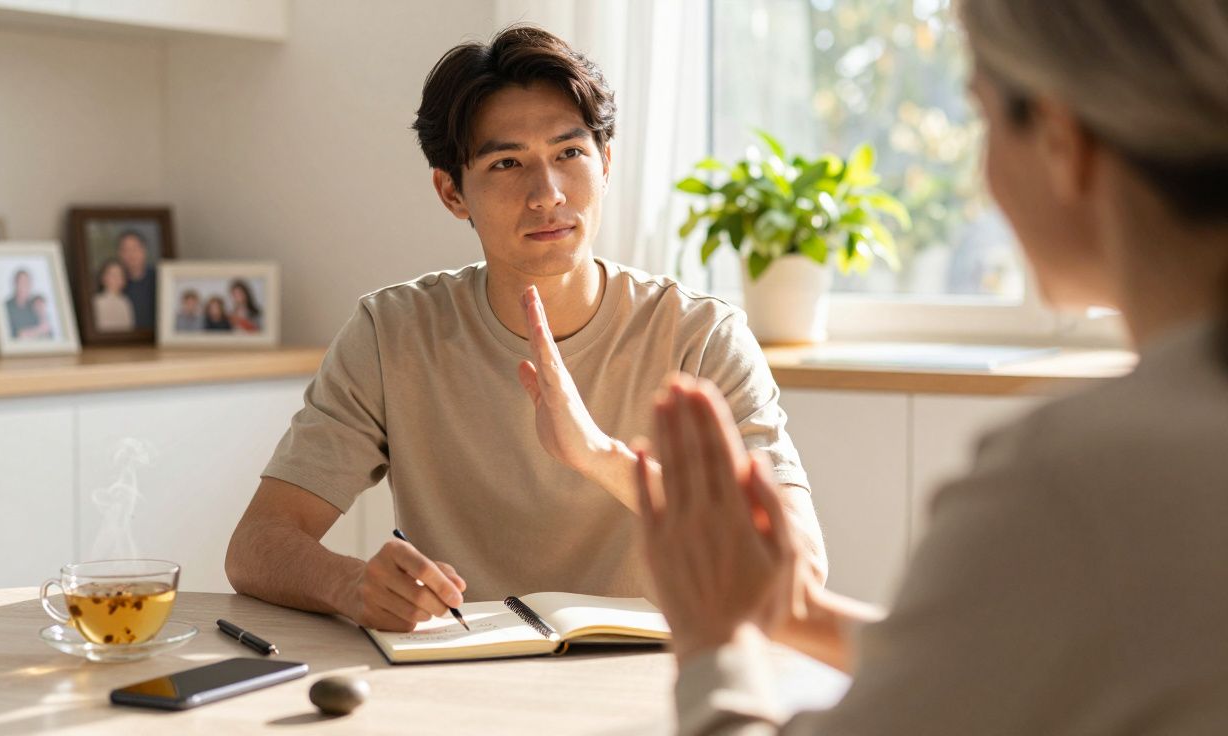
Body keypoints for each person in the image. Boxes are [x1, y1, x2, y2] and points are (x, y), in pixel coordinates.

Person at [637, 1, 1228, 734]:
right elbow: (1008, 662)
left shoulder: (1075, 479)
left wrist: (713, 643)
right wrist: (801, 614)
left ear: (1059, 138)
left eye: (981, 119)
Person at [224, 25, 827, 633]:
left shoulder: (701, 336)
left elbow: (800, 566)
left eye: (570, 154)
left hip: (653, 682)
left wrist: (600, 457)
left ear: (606, 163)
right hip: (459, 676)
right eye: (507, 163)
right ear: (452, 192)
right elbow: (257, 542)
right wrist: (351, 585)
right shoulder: (391, 334)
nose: (547, 194)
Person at [116, 230, 156, 329]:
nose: (131, 254)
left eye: (135, 248)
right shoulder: (114, 282)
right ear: (119, 254)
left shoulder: (158, 278)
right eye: (125, 250)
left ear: (144, 250)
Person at [92, 259, 135, 332]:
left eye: (119, 275)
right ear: (103, 278)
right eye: (112, 275)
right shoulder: (96, 302)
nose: (116, 278)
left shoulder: (126, 302)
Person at [3, 269, 39, 339]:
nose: (24, 286)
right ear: (15, 283)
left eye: (26, 282)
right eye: (21, 282)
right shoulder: (6, 307)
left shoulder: (35, 306)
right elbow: (14, 335)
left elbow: (47, 332)